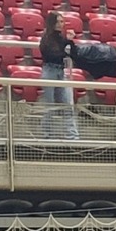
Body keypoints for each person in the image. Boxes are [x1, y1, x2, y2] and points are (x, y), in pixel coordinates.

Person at [36, 12, 78, 142]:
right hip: (49, 71)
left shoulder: (61, 38)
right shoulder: (46, 39)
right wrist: (65, 51)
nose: (61, 24)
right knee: (50, 106)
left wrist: (70, 41)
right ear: (52, 23)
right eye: (58, 21)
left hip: (60, 72)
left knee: (67, 105)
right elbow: (52, 55)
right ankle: (47, 135)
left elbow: (72, 52)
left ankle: (72, 136)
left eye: (62, 21)